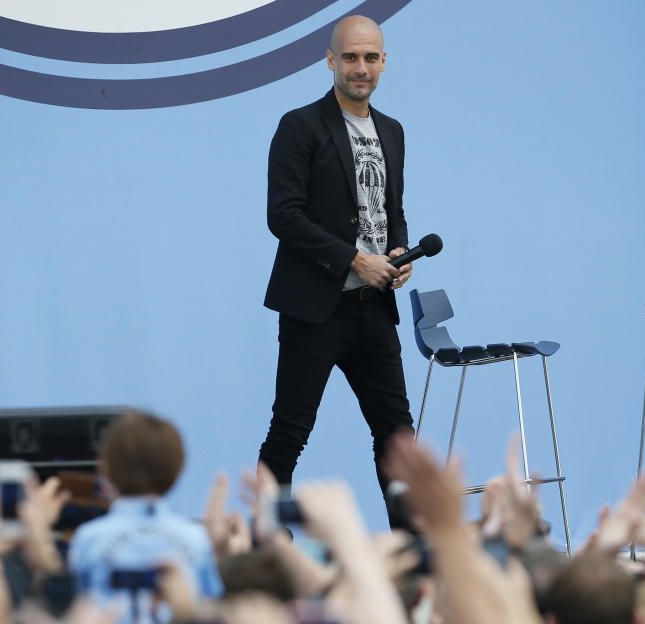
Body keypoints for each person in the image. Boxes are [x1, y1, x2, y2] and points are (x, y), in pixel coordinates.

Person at [258, 14, 415, 524]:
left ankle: (411, 555)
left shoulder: (392, 131)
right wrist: (352, 259)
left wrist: (398, 253)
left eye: (371, 57)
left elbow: (392, 210)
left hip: (374, 310)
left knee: (398, 438)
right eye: (350, 57)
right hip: (314, 310)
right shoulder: (299, 126)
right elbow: (282, 215)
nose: (361, 67)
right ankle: (266, 548)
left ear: (384, 62)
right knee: (290, 432)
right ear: (330, 61)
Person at [68, 410, 223, 622]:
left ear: (105, 469)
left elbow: (77, 608)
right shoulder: (197, 539)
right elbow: (211, 609)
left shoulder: (88, 538)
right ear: (177, 470)